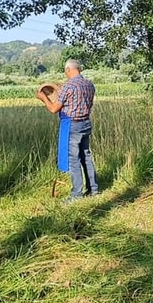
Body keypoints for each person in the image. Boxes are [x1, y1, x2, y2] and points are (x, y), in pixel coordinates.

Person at [36, 59, 99, 203]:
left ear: (68, 70)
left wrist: (43, 97)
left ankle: (76, 194)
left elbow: (53, 109)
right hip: (86, 123)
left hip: (72, 125)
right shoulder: (89, 84)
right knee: (86, 156)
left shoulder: (68, 86)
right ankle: (93, 189)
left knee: (73, 159)